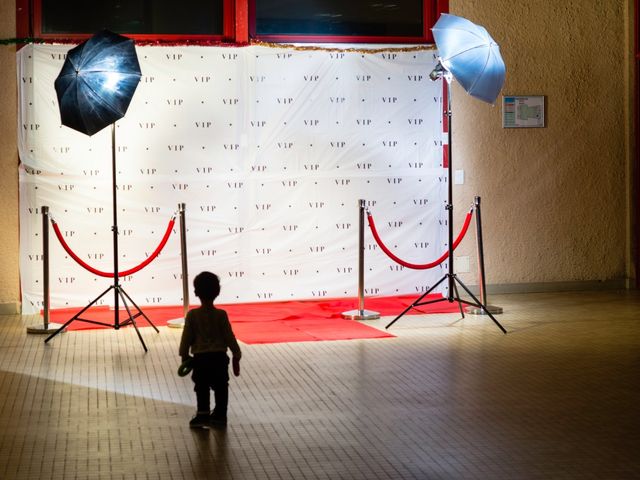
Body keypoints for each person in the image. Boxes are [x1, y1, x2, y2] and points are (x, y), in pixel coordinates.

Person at [179, 271, 241, 428]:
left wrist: (184, 355)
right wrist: (236, 351)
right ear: (217, 292)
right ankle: (220, 415)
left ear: (195, 292)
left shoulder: (192, 315)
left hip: (200, 359)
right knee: (221, 386)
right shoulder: (221, 315)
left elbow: (187, 338)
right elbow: (229, 335)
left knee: (201, 387)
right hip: (219, 358)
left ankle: (203, 415)